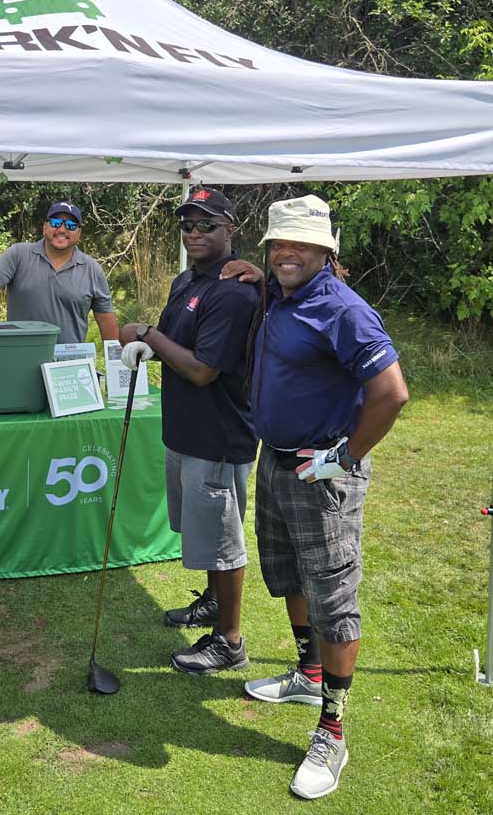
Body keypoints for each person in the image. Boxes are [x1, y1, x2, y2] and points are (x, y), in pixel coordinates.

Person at [237, 194, 408, 799]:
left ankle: (332, 730)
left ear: (326, 251)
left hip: (324, 472)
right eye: (278, 243)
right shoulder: (283, 295)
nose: (286, 252)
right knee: (288, 575)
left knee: (334, 599)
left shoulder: (344, 309)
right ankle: (309, 672)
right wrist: (256, 273)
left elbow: (391, 392)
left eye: (300, 244)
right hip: (279, 461)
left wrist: (344, 457)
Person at [120, 188, 259, 675]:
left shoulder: (235, 292)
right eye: (188, 226)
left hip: (217, 437)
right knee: (199, 533)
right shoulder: (187, 281)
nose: (195, 233)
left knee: (223, 540)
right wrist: (146, 341)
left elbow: (202, 370)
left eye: (207, 225)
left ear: (230, 230)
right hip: (183, 429)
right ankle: (212, 603)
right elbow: (169, 343)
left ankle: (230, 640)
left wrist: (147, 336)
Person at [0, 201, 120, 343]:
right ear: (45, 227)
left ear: (79, 233)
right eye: (55, 223)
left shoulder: (92, 269)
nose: (62, 229)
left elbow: (105, 320)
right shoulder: (19, 254)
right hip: (22, 357)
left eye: (71, 225)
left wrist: (115, 364)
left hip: (69, 369)